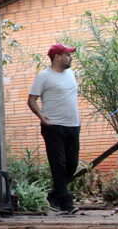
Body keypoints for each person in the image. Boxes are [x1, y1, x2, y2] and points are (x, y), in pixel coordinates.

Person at [27, 43, 79, 213]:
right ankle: (66, 203)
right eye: (67, 55)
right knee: (59, 164)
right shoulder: (44, 76)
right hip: (53, 126)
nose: (70, 58)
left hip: (73, 125)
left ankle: (55, 194)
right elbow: (32, 100)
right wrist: (41, 116)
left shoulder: (71, 74)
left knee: (72, 164)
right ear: (57, 57)